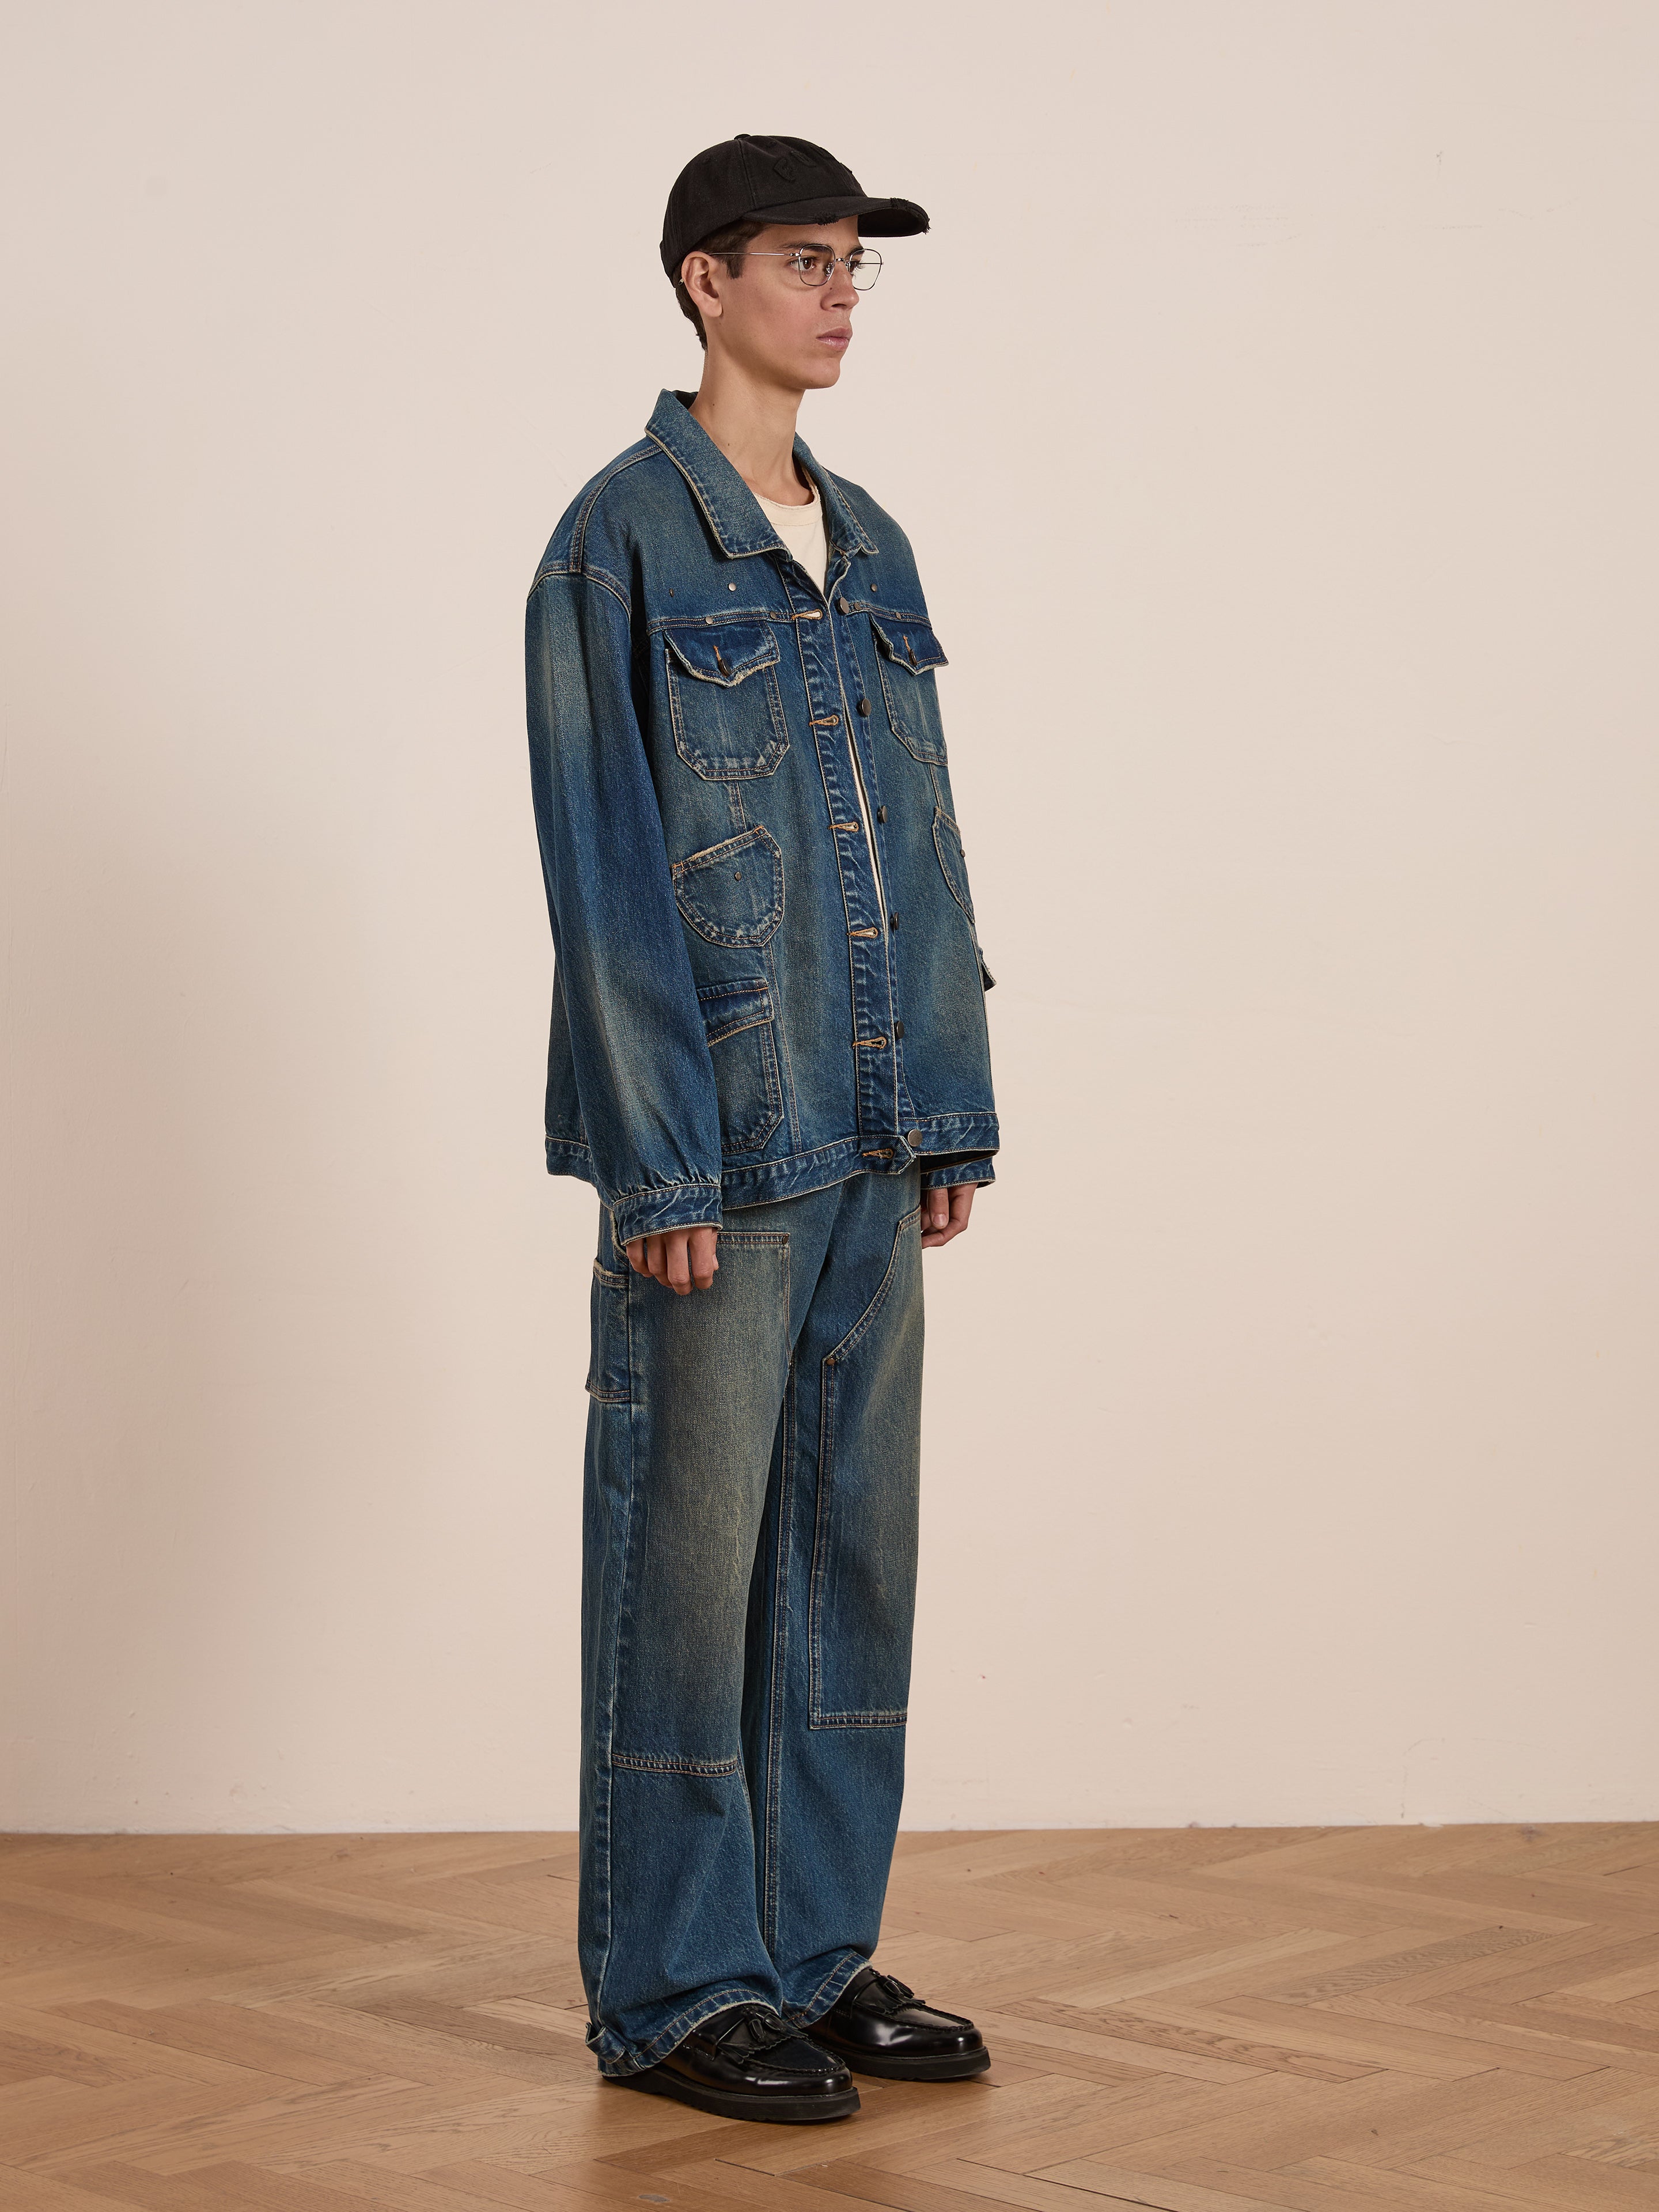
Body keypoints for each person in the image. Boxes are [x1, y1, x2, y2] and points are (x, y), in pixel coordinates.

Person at [524, 134, 999, 2126]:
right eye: (805, 263)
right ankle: (679, 1986)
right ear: (706, 282)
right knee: (688, 1561)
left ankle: (810, 1953)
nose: (839, 295)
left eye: (854, 268)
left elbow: (927, 830)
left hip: (877, 1137)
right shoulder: (619, 540)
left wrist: (953, 1106)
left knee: (845, 1557)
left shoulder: (871, 542)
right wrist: (659, 1159)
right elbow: (604, 868)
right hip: (721, 1151)